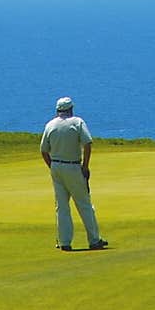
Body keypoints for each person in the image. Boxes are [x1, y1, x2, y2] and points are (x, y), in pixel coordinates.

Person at [40, 95, 108, 251]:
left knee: (62, 207)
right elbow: (88, 143)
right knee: (84, 204)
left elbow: (43, 151)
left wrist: (52, 166)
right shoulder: (77, 122)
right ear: (70, 109)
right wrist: (85, 166)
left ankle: (65, 242)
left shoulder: (50, 125)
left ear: (58, 110)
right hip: (73, 166)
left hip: (56, 167)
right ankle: (94, 240)